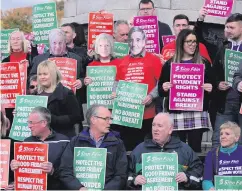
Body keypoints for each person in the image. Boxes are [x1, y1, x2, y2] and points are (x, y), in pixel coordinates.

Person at [158, 29, 214, 152]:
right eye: (189, 41)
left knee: (195, 149)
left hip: (197, 112)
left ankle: (195, 171)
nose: (192, 44)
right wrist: (164, 87)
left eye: (194, 42)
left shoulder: (204, 63)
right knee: (177, 149)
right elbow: (160, 90)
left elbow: (213, 88)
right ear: (181, 43)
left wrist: (211, 89)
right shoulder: (170, 64)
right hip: (177, 112)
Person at [113, 26, 162, 150]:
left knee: (147, 149)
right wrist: (114, 91)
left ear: (144, 42)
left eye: (138, 40)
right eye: (132, 40)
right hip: (127, 115)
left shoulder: (154, 60)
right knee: (128, 148)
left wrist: (151, 96)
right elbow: (117, 82)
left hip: (147, 114)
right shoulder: (122, 61)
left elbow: (160, 83)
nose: (135, 44)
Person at [58, 104, 128, 190]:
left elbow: (121, 175)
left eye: (110, 119)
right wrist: (79, 188)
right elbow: (65, 171)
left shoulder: (117, 143)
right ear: (93, 119)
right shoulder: (76, 141)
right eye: (106, 118)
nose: (110, 122)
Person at [127, 113, 203, 190]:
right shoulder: (139, 150)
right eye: (153, 125)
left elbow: (199, 176)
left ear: (170, 130)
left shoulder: (185, 150)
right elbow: (125, 174)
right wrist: (134, 180)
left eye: (160, 126)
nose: (155, 129)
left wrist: (187, 178)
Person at [29, 28, 85, 125]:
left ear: (65, 43)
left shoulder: (76, 59)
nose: (57, 47)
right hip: (46, 105)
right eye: (54, 43)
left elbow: (83, 77)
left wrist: (81, 81)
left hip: (70, 106)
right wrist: (35, 81)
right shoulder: (39, 59)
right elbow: (31, 78)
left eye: (60, 43)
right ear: (49, 43)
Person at [10, 107, 70, 190]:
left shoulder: (63, 141)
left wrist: (53, 170)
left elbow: (69, 171)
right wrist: (15, 167)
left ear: (44, 123)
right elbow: (24, 173)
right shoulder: (26, 142)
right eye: (28, 122)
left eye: (31, 123)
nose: (29, 126)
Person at [212, 13, 242, 148]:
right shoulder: (223, 46)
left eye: (232, 27)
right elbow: (214, 72)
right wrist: (218, 84)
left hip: (240, 102)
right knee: (219, 140)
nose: (228, 30)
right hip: (225, 102)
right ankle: (215, 169)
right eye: (226, 27)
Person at [36, 60, 82, 138]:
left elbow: (76, 117)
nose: (42, 77)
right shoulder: (36, 94)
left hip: (62, 137)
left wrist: (51, 118)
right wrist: (20, 113)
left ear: (53, 74)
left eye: (45, 74)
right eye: (40, 74)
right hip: (40, 138)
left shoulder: (66, 93)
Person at [203, 121, 242, 190]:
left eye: (227, 134)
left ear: (237, 138)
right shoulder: (212, 154)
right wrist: (210, 188)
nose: (223, 136)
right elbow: (206, 180)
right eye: (221, 134)